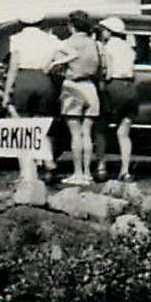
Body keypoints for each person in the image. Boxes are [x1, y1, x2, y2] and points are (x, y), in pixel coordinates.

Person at [1, 19, 62, 179]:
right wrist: (50, 64)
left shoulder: (17, 39)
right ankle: (48, 161)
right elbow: (62, 57)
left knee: (22, 126)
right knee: (42, 125)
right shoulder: (51, 39)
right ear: (41, 23)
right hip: (44, 79)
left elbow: (13, 66)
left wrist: (7, 92)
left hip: (24, 78)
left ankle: (26, 170)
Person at [48, 10, 102, 185]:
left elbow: (55, 67)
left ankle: (77, 173)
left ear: (71, 26)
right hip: (91, 87)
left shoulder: (66, 44)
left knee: (75, 134)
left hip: (72, 87)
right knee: (87, 133)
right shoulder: (96, 44)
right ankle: (87, 173)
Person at [96, 15, 139, 182]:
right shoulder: (129, 49)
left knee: (101, 128)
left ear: (109, 31)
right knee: (124, 132)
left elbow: (107, 72)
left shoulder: (107, 48)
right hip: (130, 88)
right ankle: (125, 170)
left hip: (113, 86)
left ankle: (101, 167)